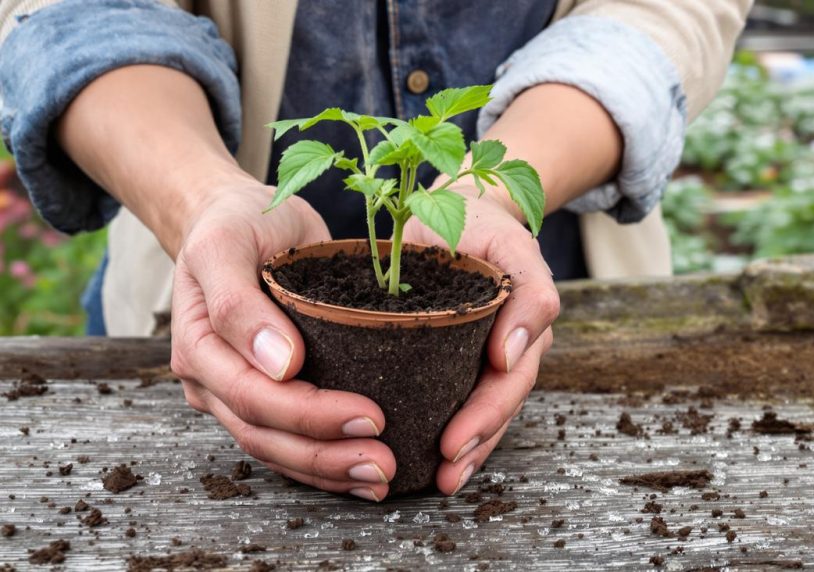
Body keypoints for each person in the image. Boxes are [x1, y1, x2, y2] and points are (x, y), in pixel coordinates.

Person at [0, 0, 750, 501]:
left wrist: (490, 193)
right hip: (196, 290)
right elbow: (81, 9)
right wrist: (200, 198)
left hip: (552, 284)